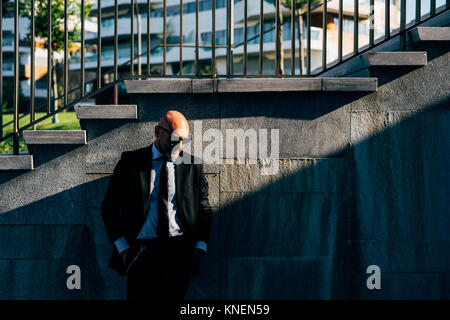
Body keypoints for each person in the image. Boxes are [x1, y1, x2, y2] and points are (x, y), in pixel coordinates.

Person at [101, 110, 212, 300]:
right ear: (157, 132)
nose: (179, 145)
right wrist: (124, 249)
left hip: (179, 252)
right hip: (140, 252)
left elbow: (204, 208)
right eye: (175, 138)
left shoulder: (193, 165)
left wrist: (198, 247)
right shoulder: (131, 162)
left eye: (184, 140)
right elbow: (109, 207)